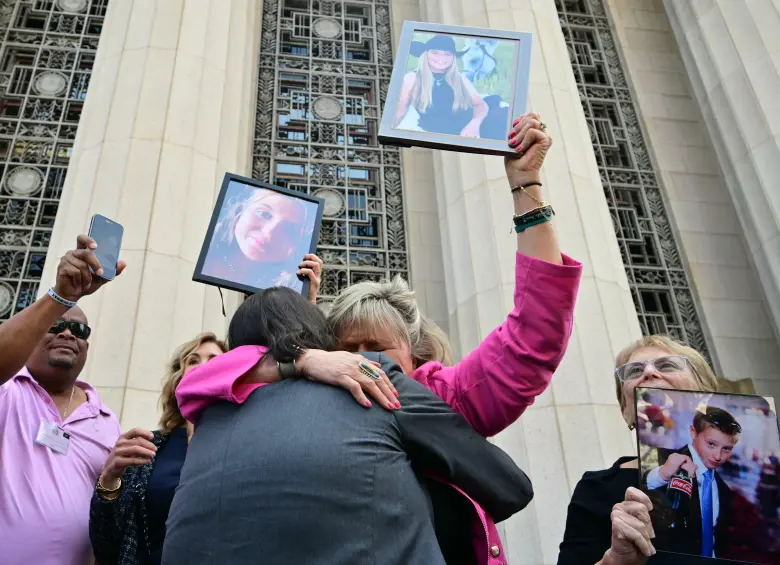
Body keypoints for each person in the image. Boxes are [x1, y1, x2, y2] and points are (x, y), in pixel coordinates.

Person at [176, 112, 580, 564]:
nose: (363, 361)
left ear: (416, 354)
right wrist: (300, 357)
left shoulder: (439, 397)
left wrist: (527, 188)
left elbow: (533, 337)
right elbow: (200, 381)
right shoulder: (311, 397)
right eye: (348, 350)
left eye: (379, 350)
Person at [162, 287, 534, 565]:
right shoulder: (371, 377)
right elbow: (509, 486)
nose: (360, 356)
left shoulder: (208, 419)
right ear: (327, 344)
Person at [0, 234, 125, 565]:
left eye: (79, 331)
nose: (68, 334)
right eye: (56, 325)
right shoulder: (7, 391)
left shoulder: (106, 420)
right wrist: (60, 297)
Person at [557, 335, 721, 565]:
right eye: (633, 371)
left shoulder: (758, 475)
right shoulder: (596, 487)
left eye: (667, 365)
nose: (649, 373)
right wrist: (615, 560)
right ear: (626, 411)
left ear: (707, 396)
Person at [89, 333, 227, 565]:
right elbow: (107, 544)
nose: (203, 366)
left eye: (214, 360)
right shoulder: (147, 446)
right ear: (179, 379)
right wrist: (109, 480)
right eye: (193, 361)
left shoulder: (244, 446)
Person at [645, 406, 740, 558]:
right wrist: (662, 475)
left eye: (727, 449)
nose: (718, 456)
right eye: (711, 444)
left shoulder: (725, 490)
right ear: (693, 432)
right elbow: (641, 489)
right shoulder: (661, 459)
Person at [201, 185, 322, 297]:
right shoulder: (205, 255)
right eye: (263, 214)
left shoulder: (285, 293)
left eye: (288, 229)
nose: (269, 232)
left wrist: (309, 300)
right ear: (240, 211)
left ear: (296, 245)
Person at [394, 34, 507, 140]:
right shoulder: (412, 78)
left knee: (502, 119)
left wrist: (474, 123)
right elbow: (401, 109)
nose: (441, 58)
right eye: (435, 52)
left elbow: (480, 104)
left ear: (453, 57)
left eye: (447, 54)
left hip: (468, 124)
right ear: (425, 54)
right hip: (439, 129)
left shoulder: (458, 78)